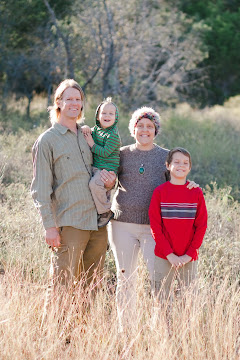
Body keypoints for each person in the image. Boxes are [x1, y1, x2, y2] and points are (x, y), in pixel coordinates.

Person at [107, 107, 198, 329]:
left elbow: (176, 180)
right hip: (122, 224)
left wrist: (191, 186)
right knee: (125, 280)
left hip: (154, 229)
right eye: (140, 126)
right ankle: (126, 331)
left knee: (158, 281)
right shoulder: (122, 154)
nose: (145, 130)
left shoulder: (164, 156)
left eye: (150, 126)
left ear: (155, 130)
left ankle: (160, 331)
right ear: (133, 129)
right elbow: (109, 182)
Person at [30, 79, 116, 290]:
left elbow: (100, 172)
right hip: (69, 222)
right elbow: (40, 188)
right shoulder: (48, 140)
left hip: (97, 223)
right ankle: (55, 324)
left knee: (91, 288)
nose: (74, 103)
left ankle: (83, 325)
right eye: (69, 99)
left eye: (78, 99)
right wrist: (50, 227)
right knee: (62, 285)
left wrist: (109, 182)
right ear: (58, 102)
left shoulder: (89, 136)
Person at [149, 147, 208, 300]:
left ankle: (186, 325)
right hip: (164, 255)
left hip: (188, 257)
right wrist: (169, 254)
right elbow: (155, 226)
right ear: (168, 165)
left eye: (185, 163)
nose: (181, 165)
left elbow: (201, 226)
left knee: (188, 301)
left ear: (189, 167)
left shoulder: (196, 193)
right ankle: (162, 325)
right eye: (177, 162)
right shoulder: (160, 192)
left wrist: (189, 254)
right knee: (161, 298)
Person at [81, 97, 121, 228]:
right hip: (98, 167)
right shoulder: (98, 130)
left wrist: (91, 144)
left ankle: (105, 212)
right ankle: (100, 215)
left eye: (111, 113)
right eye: (104, 113)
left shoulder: (113, 136)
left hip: (107, 169)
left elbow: (104, 152)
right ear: (98, 116)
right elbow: (90, 131)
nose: (107, 116)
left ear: (116, 117)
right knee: (100, 192)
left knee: (95, 184)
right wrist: (86, 128)